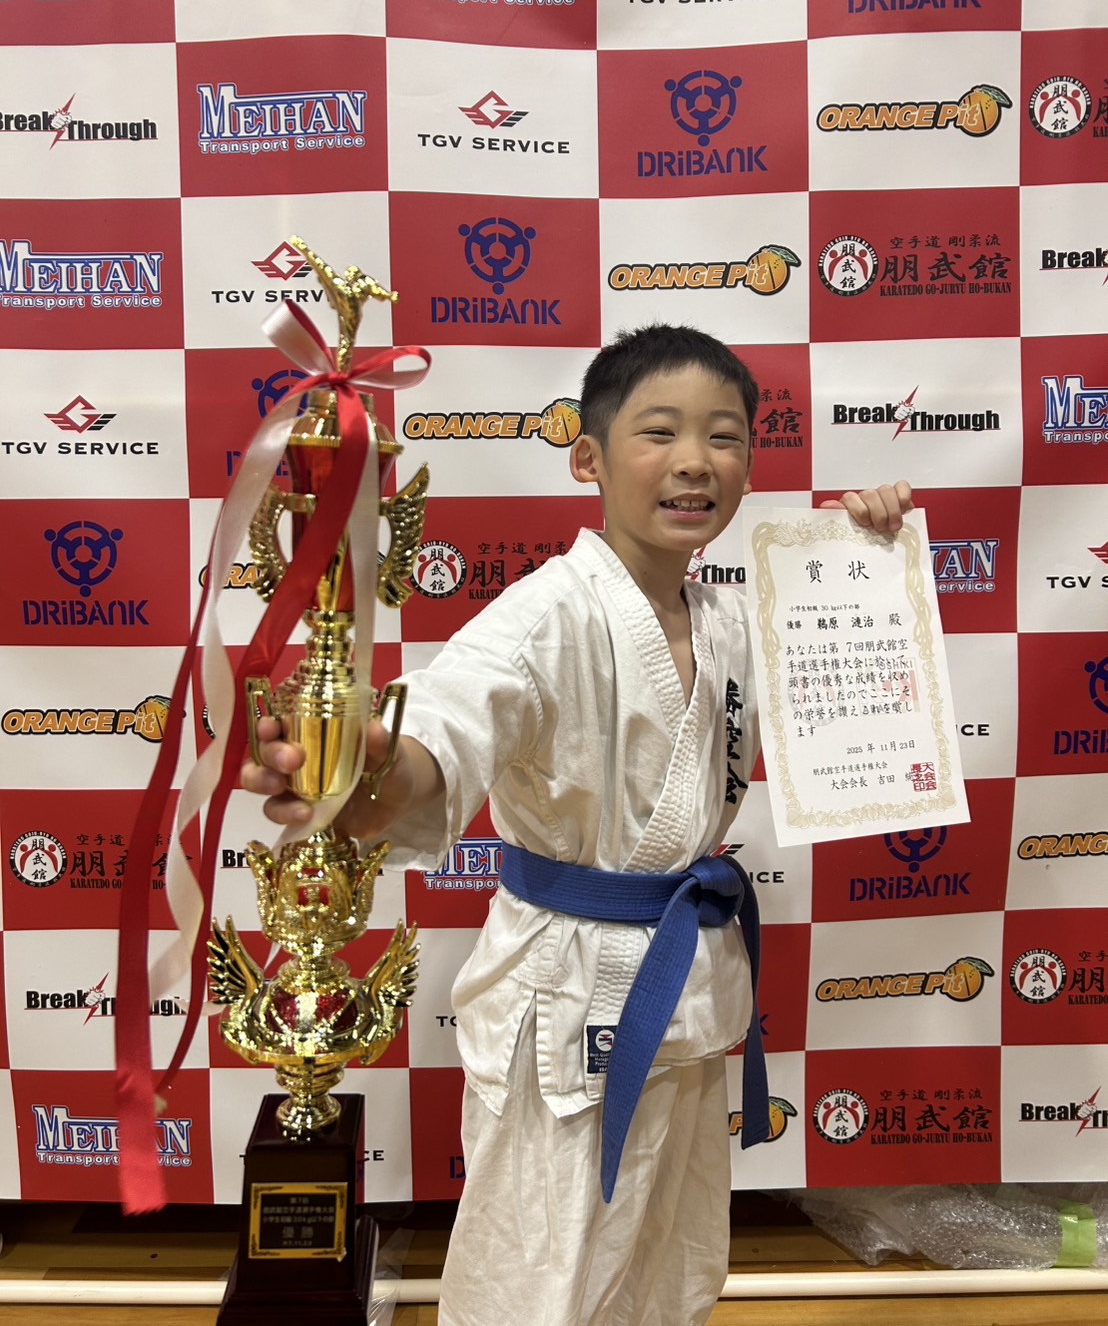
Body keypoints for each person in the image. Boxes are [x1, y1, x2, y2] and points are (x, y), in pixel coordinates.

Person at [242, 324, 912, 1326]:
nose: (696, 461)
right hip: (566, 998)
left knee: (670, 1264)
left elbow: (853, 692)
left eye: (725, 436)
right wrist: (369, 767)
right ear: (588, 458)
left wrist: (869, 559)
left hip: (688, 986)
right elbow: (446, 726)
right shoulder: (542, 617)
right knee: (539, 1280)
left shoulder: (728, 618)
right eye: (660, 432)